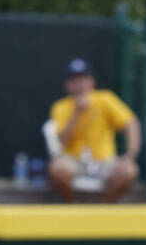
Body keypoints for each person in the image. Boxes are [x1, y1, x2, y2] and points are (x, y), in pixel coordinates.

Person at [47, 58, 141, 203]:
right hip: (75, 162)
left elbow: (131, 123)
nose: (80, 84)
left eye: (83, 79)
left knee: (129, 171)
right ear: (67, 85)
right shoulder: (60, 107)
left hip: (105, 162)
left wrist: (130, 154)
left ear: (91, 82)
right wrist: (77, 113)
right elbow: (62, 142)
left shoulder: (105, 99)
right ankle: (73, 207)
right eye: (74, 80)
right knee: (58, 169)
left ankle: (106, 207)